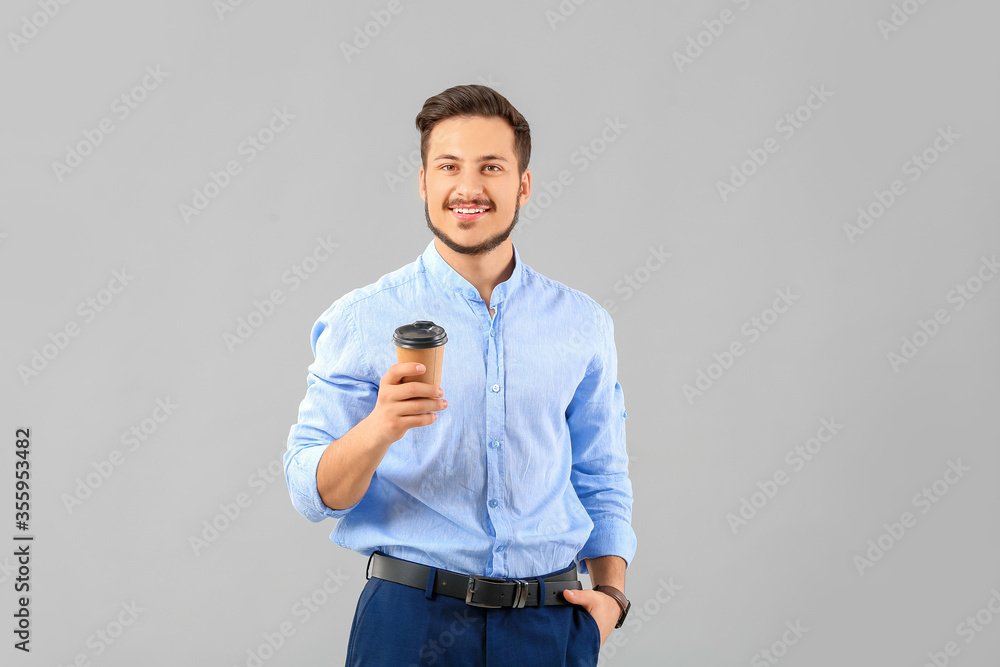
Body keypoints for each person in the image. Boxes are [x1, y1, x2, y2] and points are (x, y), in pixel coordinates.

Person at [284, 84, 636, 666]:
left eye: (491, 167)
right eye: (448, 166)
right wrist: (380, 428)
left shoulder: (581, 323)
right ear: (424, 182)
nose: (468, 188)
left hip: (548, 626)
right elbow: (311, 493)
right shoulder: (363, 317)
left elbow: (602, 472)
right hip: (410, 624)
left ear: (522, 183)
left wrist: (611, 598)